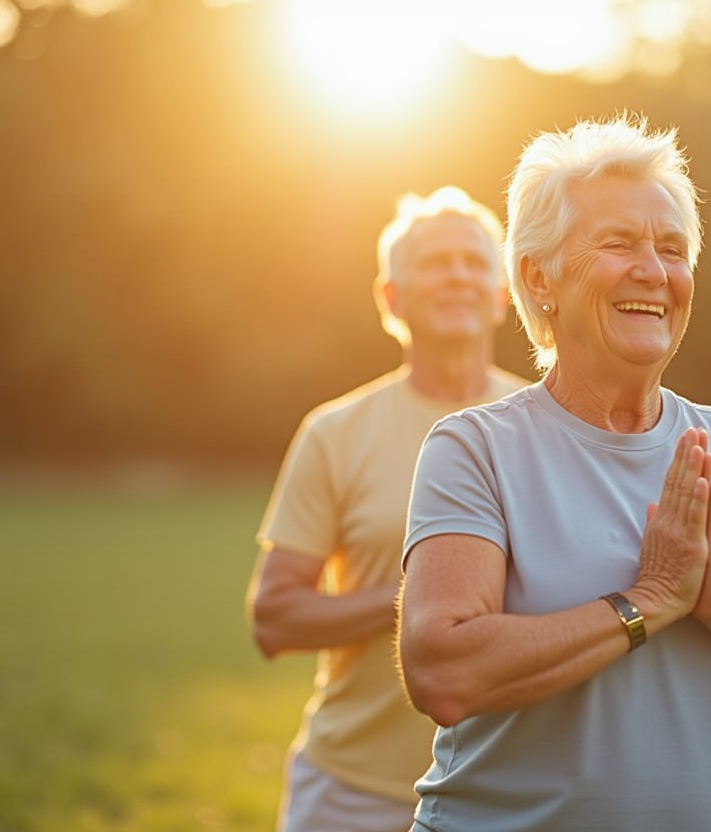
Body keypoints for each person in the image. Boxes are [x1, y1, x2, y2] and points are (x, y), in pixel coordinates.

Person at [396, 116, 711, 831]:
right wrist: (645, 604)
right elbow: (443, 670)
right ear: (538, 278)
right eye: (618, 243)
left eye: (672, 249)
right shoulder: (475, 448)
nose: (653, 270)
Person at [247, 185, 528, 832]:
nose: (456, 275)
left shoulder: (551, 430)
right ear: (391, 299)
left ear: (501, 294)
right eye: (434, 262)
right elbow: (274, 617)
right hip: (352, 793)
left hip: (507, 785)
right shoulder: (335, 432)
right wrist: (418, 602)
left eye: (473, 262)